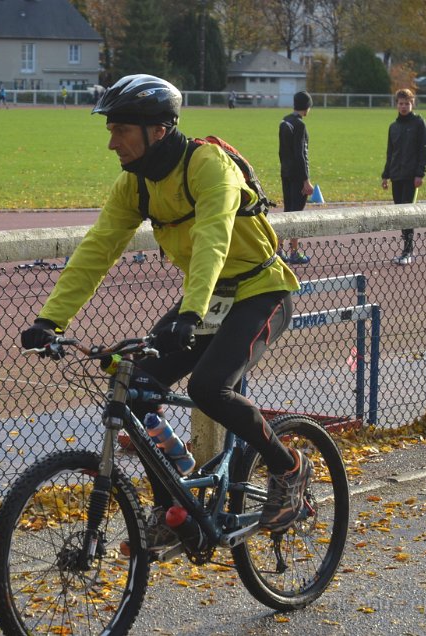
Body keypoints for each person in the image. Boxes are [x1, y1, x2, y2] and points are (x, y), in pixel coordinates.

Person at [19, 74, 311, 547]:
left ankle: (289, 467)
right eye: (110, 130)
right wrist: (50, 319)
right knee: (136, 387)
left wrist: (190, 313)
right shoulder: (135, 185)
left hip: (261, 290)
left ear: (158, 130)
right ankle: (174, 510)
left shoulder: (208, 166)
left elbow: (214, 238)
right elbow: (98, 248)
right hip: (206, 300)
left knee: (208, 388)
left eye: (121, 131)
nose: (112, 143)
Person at [381, 88, 426, 265]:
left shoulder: (419, 123)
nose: (403, 107)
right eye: (401, 104)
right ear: (396, 104)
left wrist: (420, 173)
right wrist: (385, 175)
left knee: (407, 213)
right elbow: (390, 153)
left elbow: (424, 149)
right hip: (396, 176)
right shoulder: (393, 127)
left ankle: (408, 251)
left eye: (407, 104)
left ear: (412, 104)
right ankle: (405, 249)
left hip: (411, 176)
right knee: (399, 213)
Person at [277, 90, 314, 265]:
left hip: (286, 172)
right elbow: (301, 154)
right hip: (298, 175)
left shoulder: (284, 121)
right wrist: (306, 180)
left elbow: (282, 151)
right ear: (307, 107)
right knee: (296, 214)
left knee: (287, 212)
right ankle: (294, 252)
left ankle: (278, 250)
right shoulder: (300, 125)